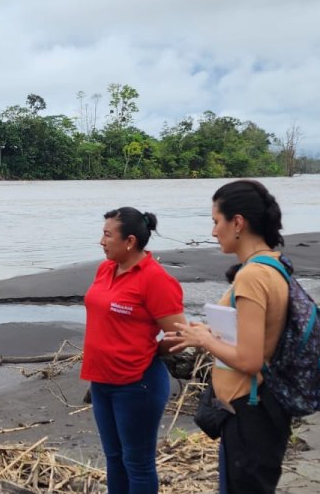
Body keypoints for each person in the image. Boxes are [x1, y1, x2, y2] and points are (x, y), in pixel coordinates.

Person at [166, 179, 292, 493]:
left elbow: (250, 360)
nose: (213, 231)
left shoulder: (252, 276)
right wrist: (211, 333)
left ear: (237, 223)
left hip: (250, 410)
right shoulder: (273, 265)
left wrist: (205, 341)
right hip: (260, 407)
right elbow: (259, 335)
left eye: (216, 221)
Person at [81, 207, 186, 494]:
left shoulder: (155, 279)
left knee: (137, 463)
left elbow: (181, 334)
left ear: (129, 241)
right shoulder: (106, 269)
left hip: (137, 384)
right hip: (101, 381)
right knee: (114, 459)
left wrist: (151, 350)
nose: (101, 241)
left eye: (107, 235)